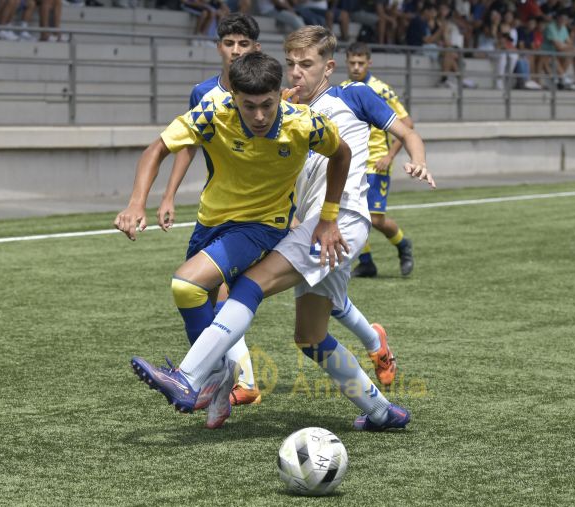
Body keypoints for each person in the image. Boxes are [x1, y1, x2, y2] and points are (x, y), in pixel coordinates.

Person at [131, 26, 434, 431]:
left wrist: (415, 161)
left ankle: (190, 376)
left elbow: (384, 139)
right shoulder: (284, 108)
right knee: (311, 338)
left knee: (248, 285)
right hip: (319, 224)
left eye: (305, 64)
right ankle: (382, 412)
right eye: (291, 63)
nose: (296, 73)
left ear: (328, 66)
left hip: (339, 222)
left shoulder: (349, 97)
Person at [118, 51, 350, 429]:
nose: (259, 116)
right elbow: (157, 148)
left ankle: (196, 378)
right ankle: (223, 382)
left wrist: (328, 218)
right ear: (233, 99)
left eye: (267, 105)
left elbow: (342, 155)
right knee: (205, 306)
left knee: (185, 284)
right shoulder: (213, 114)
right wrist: (136, 203)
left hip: (262, 226)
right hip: (209, 223)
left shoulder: (305, 124)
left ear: (280, 94)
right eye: (248, 106)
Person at [156, 13, 264, 406]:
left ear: (255, 48)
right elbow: (187, 145)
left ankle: (222, 379)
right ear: (218, 46)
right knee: (215, 292)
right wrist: (168, 196)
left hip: (258, 213)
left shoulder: (266, 91)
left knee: (214, 288)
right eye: (229, 43)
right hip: (216, 208)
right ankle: (239, 381)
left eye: (243, 44)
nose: (235, 50)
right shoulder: (203, 92)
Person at [342, 42, 418, 279]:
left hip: (376, 163)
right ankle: (366, 262)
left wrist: (389, 155)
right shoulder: (342, 89)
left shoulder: (381, 90)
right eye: (352, 62)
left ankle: (403, 244)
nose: (356, 67)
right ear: (346, 62)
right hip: (352, 164)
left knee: (375, 219)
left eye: (360, 63)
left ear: (369, 63)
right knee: (350, 214)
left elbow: (407, 125)